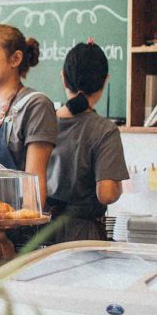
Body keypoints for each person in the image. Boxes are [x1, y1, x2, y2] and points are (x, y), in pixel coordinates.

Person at [45, 41, 127, 242]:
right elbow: (106, 194)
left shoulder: (42, 123)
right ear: (105, 81)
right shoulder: (104, 130)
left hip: (41, 232)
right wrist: (118, 187)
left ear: (63, 77)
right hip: (83, 235)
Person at [0, 24, 57, 206]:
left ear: (15, 59)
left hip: (17, 226)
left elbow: (34, 182)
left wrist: (13, 231)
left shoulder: (36, 105)